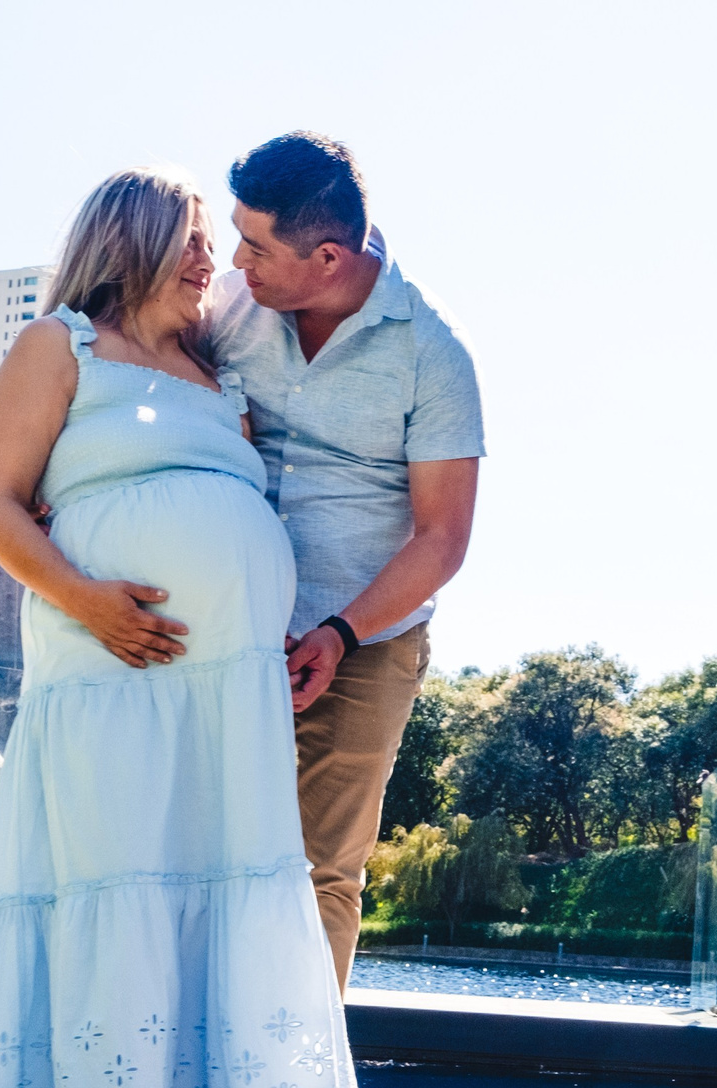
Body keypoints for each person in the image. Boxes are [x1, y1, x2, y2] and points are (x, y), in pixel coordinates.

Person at [0, 168, 358, 1088]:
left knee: (197, 877)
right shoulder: (58, 344)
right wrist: (87, 600)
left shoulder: (218, 376)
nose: (212, 260)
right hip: (105, 663)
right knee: (99, 875)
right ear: (132, 240)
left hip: (223, 690)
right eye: (193, 237)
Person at [210, 132, 484, 996]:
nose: (235, 260)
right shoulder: (227, 305)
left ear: (327, 257)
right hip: (220, 620)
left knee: (323, 869)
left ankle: (292, 1084)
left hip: (365, 642)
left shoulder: (434, 351)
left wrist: (339, 632)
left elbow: (442, 537)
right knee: (196, 855)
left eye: (255, 246)